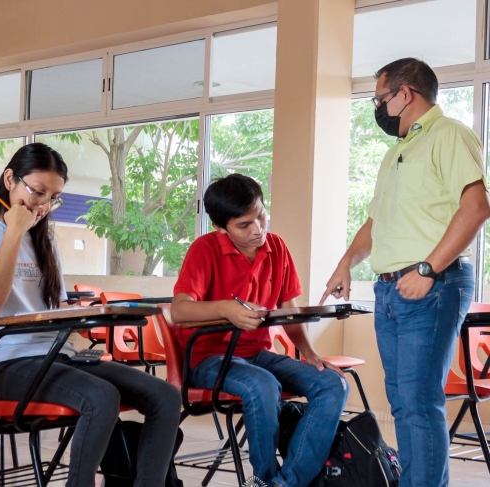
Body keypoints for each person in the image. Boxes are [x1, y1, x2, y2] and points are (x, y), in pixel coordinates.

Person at [0, 142, 181, 487]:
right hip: (9, 365)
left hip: (59, 356)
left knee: (165, 396)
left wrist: (91, 316)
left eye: (52, 198)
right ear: (10, 179)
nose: (43, 206)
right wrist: (15, 231)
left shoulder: (45, 238)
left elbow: (55, 308)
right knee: (101, 397)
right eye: (38, 192)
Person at [319, 58, 490, 487]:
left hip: (432, 285)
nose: (378, 107)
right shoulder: (396, 152)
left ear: (404, 94)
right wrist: (345, 263)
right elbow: (376, 224)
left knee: (418, 402)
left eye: (380, 98)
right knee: (401, 403)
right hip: (391, 292)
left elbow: (476, 208)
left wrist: (429, 268)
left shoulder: (449, 135)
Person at [171, 174, 348, 487]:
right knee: (263, 386)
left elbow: (288, 312)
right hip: (208, 359)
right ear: (221, 227)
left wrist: (309, 353)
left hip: (257, 354)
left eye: (261, 217)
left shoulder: (276, 247)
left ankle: (285, 483)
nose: (258, 230)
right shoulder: (205, 249)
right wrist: (226, 308)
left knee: (333, 384)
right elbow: (180, 310)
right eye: (244, 225)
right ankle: (263, 479)